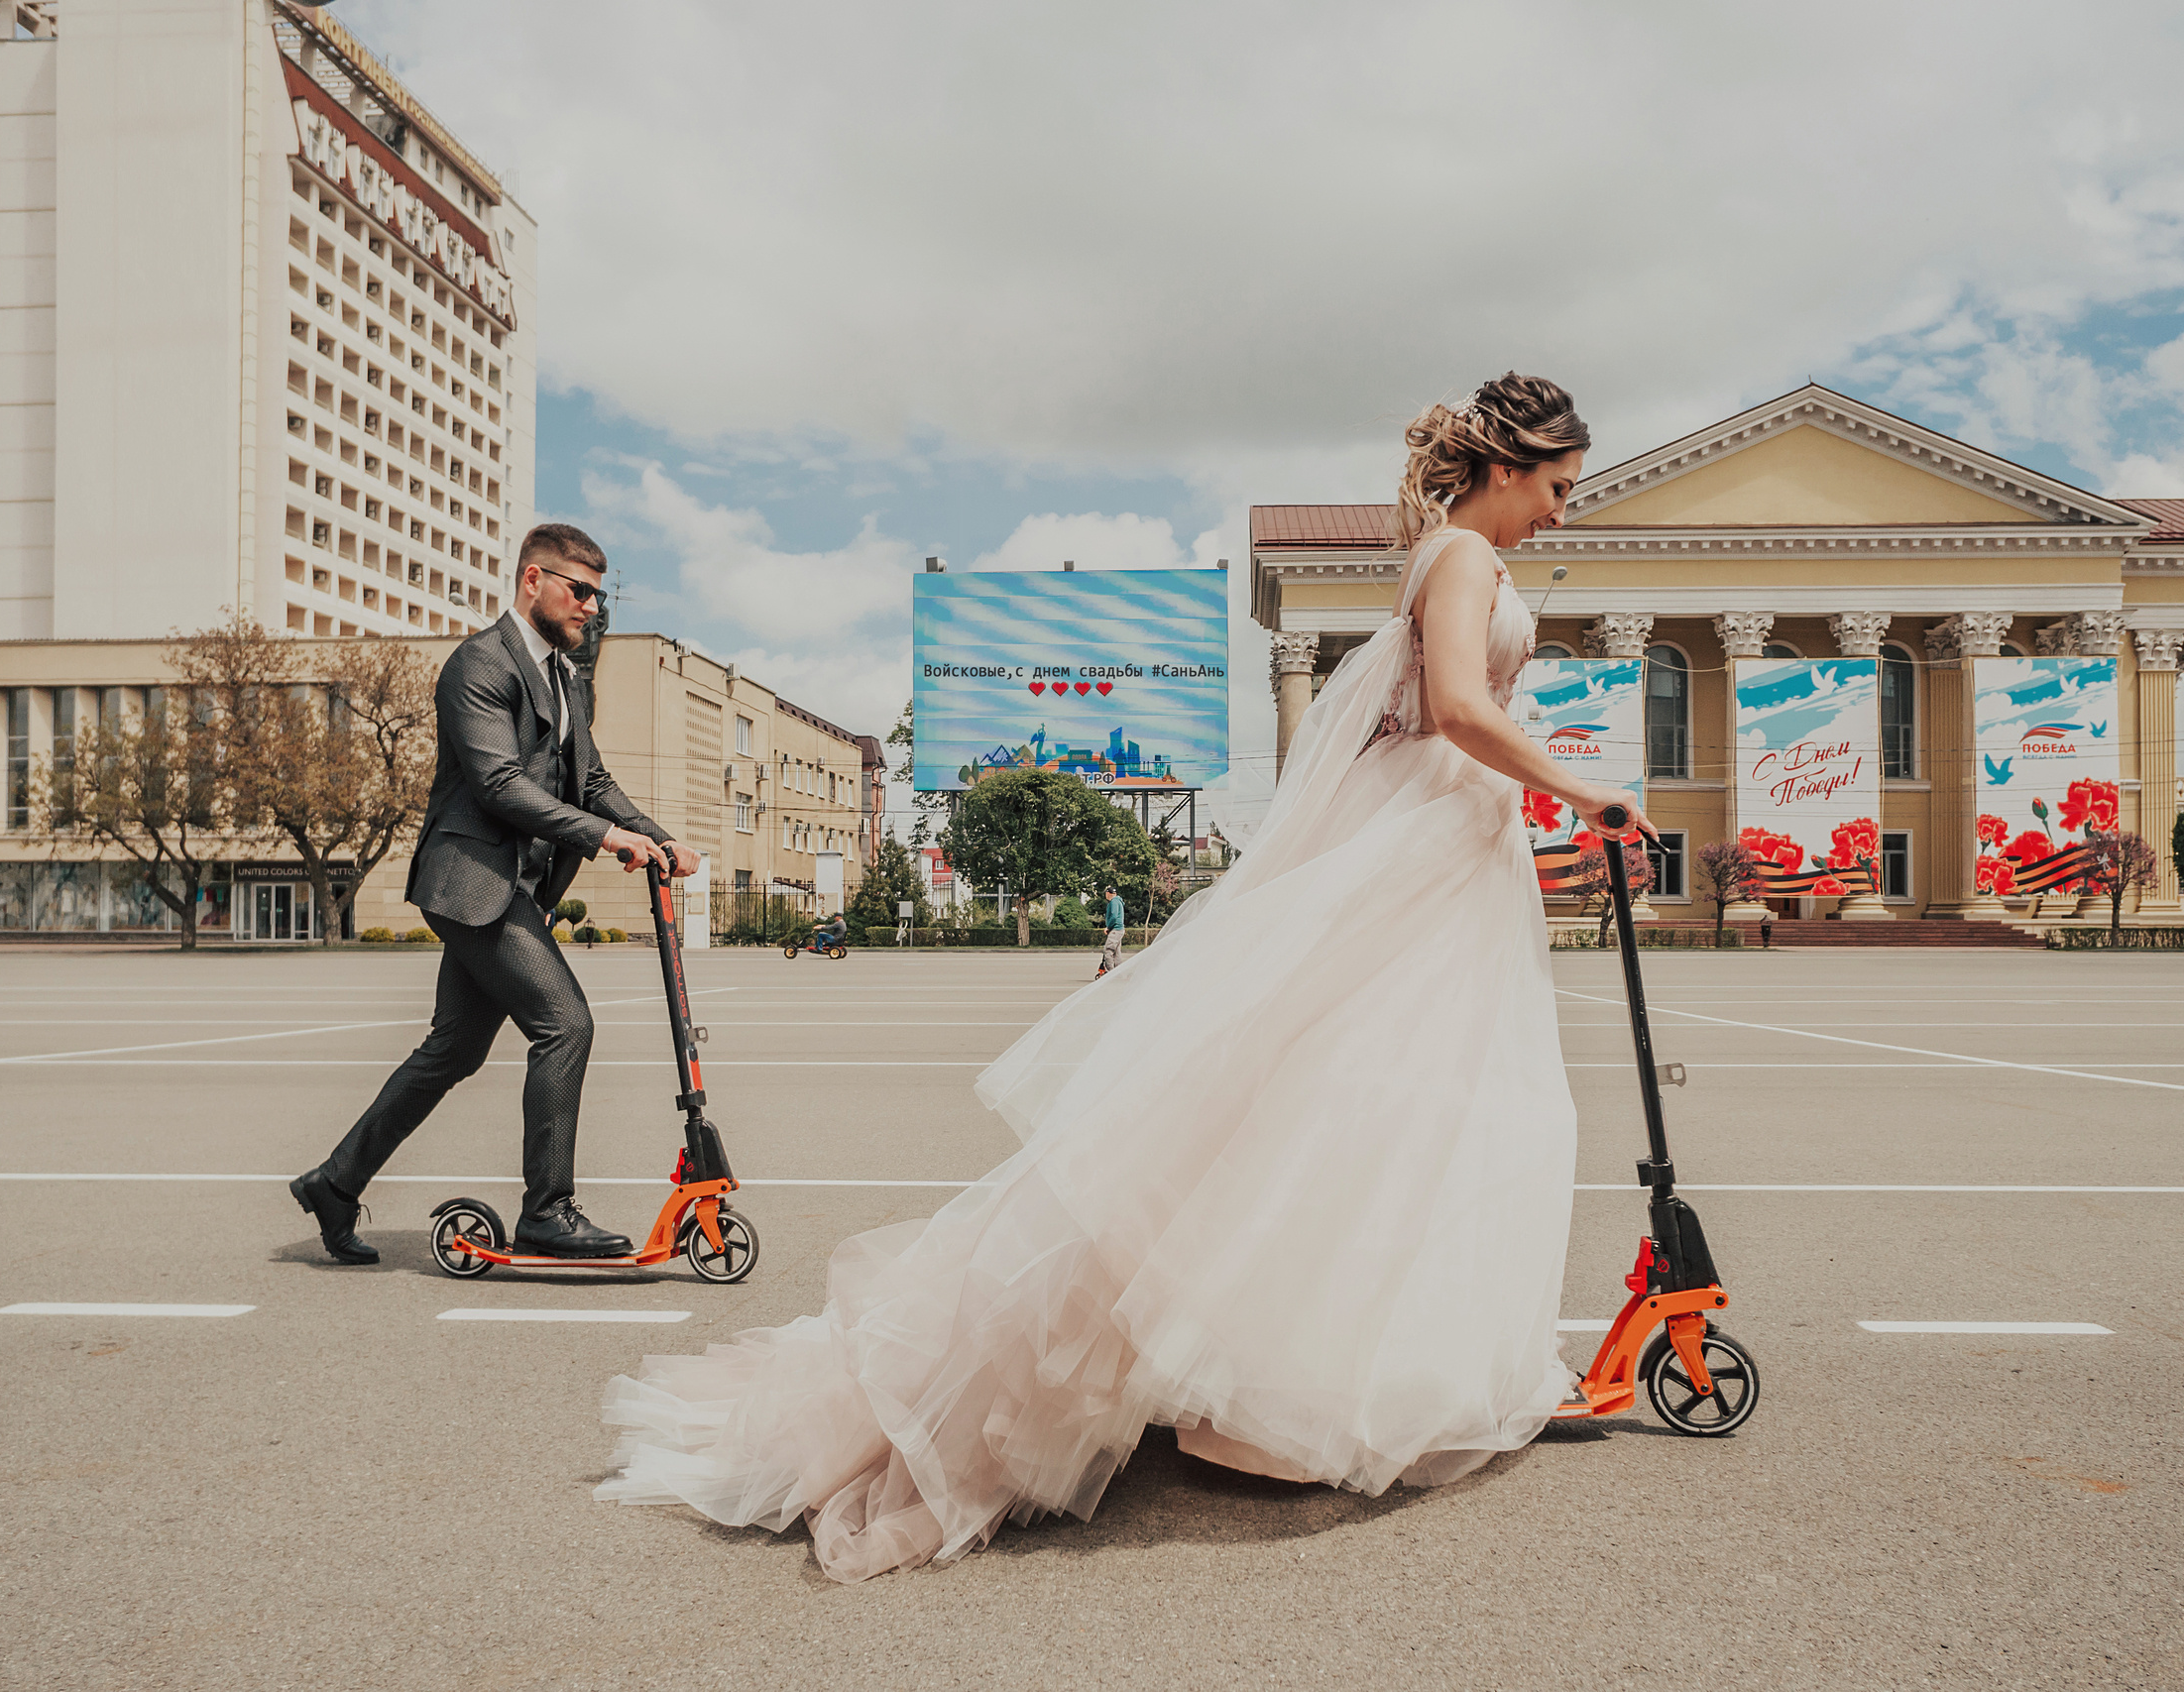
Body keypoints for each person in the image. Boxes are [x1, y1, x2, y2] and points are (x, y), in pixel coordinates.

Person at [597, 374, 1647, 1581]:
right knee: (1371, 1103)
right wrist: (1581, 788)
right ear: (1509, 467)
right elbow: (1457, 706)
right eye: (1559, 489)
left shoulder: (1454, 555)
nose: (1562, 515)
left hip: (1442, 856)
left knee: (1371, 1104)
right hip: (1426, 854)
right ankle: (1285, 1387)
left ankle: (1289, 1378)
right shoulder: (1462, 555)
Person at [290, 523, 694, 1265]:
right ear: (532, 579)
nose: (591, 607)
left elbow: (593, 782)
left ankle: (334, 1182)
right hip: (473, 885)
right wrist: (607, 840)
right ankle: (547, 1210)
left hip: (513, 890)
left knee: (452, 1051)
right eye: (580, 589)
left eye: (599, 594)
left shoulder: (567, 679)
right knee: (565, 1023)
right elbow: (499, 785)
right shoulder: (480, 663)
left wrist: (659, 838)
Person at [1094, 883, 1126, 976]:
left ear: (1108, 893)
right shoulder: (1118, 901)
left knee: (1108, 951)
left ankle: (1111, 974)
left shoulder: (1114, 902)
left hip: (1115, 929)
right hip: (1119, 929)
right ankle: (1119, 972)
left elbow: (1114, 916)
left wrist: (1108, 927)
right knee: (1117, 953)